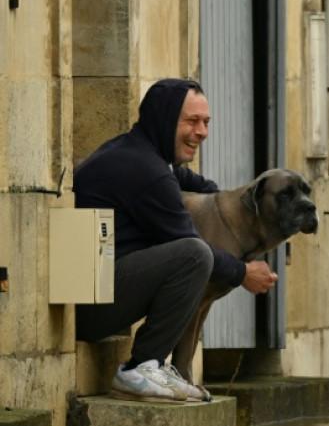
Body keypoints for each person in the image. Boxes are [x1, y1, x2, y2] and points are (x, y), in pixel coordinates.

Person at [73, 78, 278, 403]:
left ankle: (154, 366)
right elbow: (189, 243)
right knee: (194, 255)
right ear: (164, 119)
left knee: (193, 253)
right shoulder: (147, 171)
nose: (202, 132)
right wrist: (243, 272)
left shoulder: (137, 151)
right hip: (89, 310)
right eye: (192, 121)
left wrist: (230, 203)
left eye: (206, 122)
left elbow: (195, 183)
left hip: (97, 295)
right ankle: (141, 367)